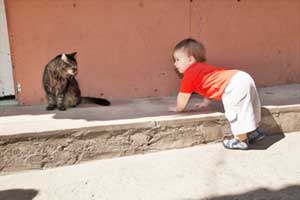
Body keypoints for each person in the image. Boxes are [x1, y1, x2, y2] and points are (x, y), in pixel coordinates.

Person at [168, 38, 265, 150]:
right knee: (250, 106)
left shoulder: (189, 74)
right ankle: (254, 132)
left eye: (177, 59)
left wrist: (178, 109)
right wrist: (205, 102)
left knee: (236, 110)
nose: (175, 64)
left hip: (233, 85)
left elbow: (183, 96)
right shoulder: (202, 68)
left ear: (190, 59)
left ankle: (241, 140)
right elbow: (209, 86)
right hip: (242, 77)